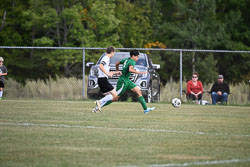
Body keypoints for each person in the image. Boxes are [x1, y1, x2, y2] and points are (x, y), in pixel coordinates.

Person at [92, 47, 121, 113]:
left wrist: (116, 72)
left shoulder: (106, 58)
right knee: (115, 95)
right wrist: (107, 74)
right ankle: (99, 102)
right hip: (103, 80)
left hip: (101, 80)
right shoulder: (106, 58)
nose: (114, 54)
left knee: (110, 96)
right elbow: (101, 66)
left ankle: (96, 109)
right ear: (112, 52)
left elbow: (108, 72)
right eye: (114, 53)